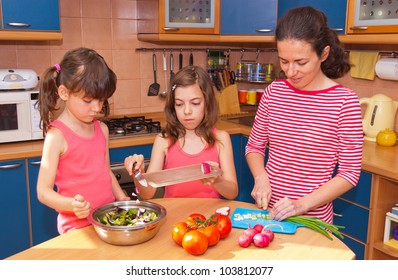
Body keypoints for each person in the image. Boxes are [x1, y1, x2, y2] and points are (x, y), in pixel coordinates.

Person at [245, 6, 363, 224]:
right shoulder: (274, 92)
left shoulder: (344, 102)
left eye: (300, 62)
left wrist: (301, 204)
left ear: (324, 54)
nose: (290, 71)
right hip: (268, 213)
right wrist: (260, 177)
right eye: (284, 61)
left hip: (312, 220)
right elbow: (254, 146)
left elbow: (349, 173)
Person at [36, 47, 129, 234]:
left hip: (108, 220)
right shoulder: (57, 136)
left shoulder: (101, 129)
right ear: (64, 93)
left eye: (101, 100)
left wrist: (122, 198)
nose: (97, 108)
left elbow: (105, 172)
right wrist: (71, 205)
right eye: (88, 100)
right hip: (76, 227)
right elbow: (43, 192)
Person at [124, 65, 238, 200]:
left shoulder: (221, 139)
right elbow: (148, 194)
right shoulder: (163, 140)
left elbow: (232, 192)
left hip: (209, 219)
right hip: (175, 219)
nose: (187, 111)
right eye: (179, 104)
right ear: (173, 106)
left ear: (207, 103)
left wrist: (217, 180)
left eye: (195, 103)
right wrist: (138, 175)